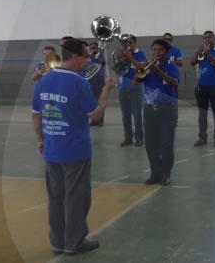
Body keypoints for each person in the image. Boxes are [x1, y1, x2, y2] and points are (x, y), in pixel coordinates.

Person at [31, 38, 115, 255]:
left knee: (56, 199)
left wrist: (41, 140)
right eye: (86, 56)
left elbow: (35, 115)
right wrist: (106, 91)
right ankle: (74, 243)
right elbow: (95, 114)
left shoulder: (45, 79)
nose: (88, 60)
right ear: (75, 57)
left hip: (51, 149)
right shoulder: (79, 83)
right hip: (75, 151)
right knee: (76, 199)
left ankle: (57, 242)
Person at [139, 39, 180, 186]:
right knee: (150, 144)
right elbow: (135, 82)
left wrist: (159, 72)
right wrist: (141, 72)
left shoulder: (171, 65)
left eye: (160, 50)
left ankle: (165, 173)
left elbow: (174, 83)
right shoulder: (147, 67)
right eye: (154, 49)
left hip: (167, 110)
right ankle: (154, 173)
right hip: (150, 109)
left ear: (166, 52)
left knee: (166, 144)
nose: (156, 52)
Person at [191, 31, 215, 147]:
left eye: (209, 37)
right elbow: (192, 62)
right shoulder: (201, 51)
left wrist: (209, 55)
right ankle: (202, 137)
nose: (207, 39)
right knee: (202, 114)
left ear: (214, 38)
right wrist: (199, 52)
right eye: (205, 38)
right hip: (201, 86)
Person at [118, 35, 146, 147]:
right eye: (126, 43)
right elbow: (117, 69)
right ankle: (128, 138)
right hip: (123, 88)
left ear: (135, 43)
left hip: (136, 89)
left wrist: (130, 58)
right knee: (125, 115)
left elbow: (142, 68)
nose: (128, 45)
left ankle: (139, 138)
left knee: (137, 114)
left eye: (130, 42)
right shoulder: (122, 54)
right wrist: (120, 59)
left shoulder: (141, 54)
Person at [88, 42, 106, 127]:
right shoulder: (87, 56)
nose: (93, 49)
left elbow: (103, 62)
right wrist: (90, 56)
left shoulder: (99, 55)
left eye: (95, 47)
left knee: (100, 100)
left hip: (99, 79)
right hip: (90, 79)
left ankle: (100, 120)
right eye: (91, 48)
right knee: (92, 100)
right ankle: (93, 120)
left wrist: (94, 55)